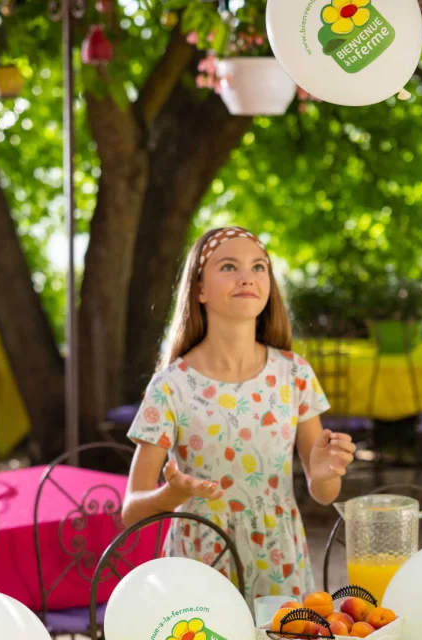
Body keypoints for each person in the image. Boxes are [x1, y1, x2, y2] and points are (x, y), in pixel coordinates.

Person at [122, 227, 355, 606]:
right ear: (199, 290)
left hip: (281, 567)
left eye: (259, 267)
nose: (247, 276)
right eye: (228, 266)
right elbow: (131, 510)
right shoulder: (170, 387)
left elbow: (323, 494)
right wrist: (172, 494)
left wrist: (326, 474)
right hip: (199, 568)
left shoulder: (295, 374)